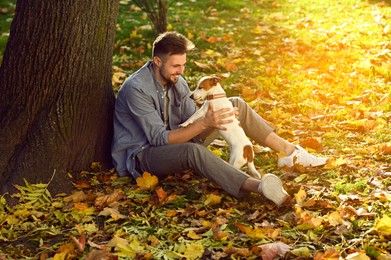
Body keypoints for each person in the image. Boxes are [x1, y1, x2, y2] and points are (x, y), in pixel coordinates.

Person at [111, 31, 327, 206]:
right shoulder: (136, 89)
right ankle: (258, 187)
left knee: (234, 105)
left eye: (183, 65)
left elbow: (189, 119)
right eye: (176, 66)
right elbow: (159, 138)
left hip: (177, 139)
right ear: (157, 61)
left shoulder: (177, 79)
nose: (181, 71)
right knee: (192, 151)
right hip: (144, 155)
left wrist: (219, 118)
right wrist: (206, 123)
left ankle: (289, 153)